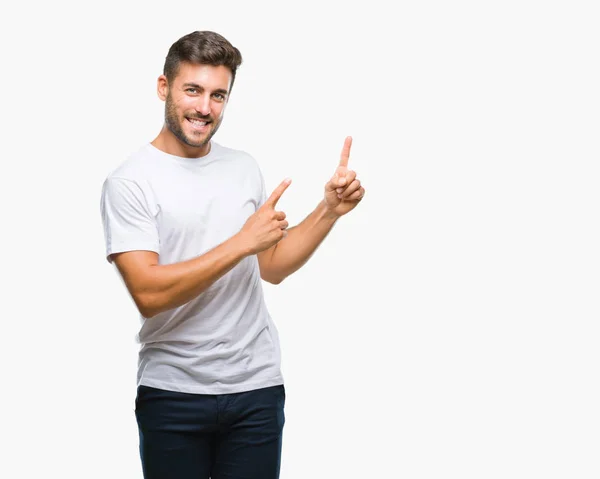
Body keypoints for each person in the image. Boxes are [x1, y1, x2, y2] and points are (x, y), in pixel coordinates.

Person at [100, 30, 365, 479]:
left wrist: (329, 210)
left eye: (218, 94)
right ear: (164, 88)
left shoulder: (243, 167)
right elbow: (148, 292)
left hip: (256, 389)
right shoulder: (130, 181)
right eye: (193, 90)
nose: (205, 107)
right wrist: (241, 242)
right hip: (173, 393)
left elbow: (272, 267)